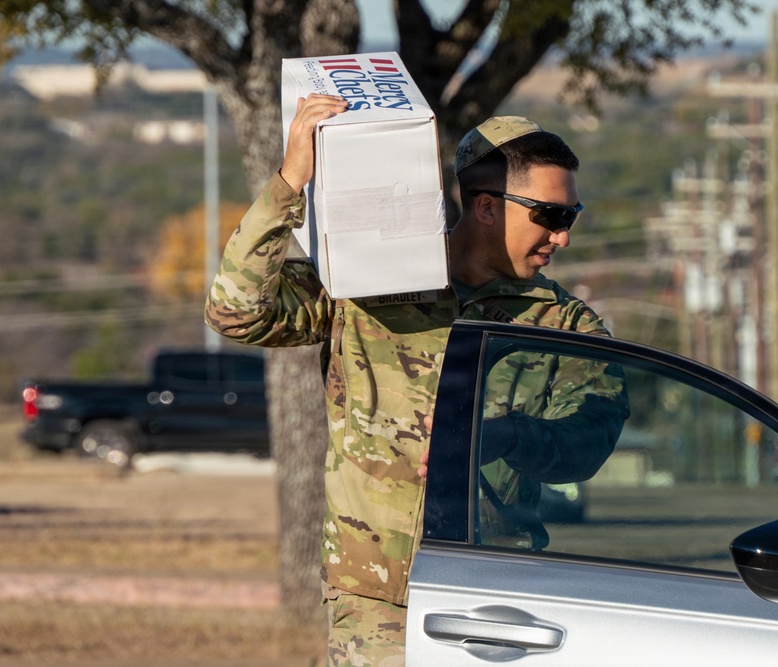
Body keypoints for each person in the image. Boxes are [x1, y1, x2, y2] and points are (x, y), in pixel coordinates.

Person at [205, 95, 627, 666]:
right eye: (551, 217)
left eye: (570, 218)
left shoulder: (563, 323)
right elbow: (237, 312)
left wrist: (505, 436)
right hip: (377, 597)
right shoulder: (366, 281)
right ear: (486, 207)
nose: (563, 237)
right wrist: (290, 182)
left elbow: (590, 439)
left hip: (498, 596)